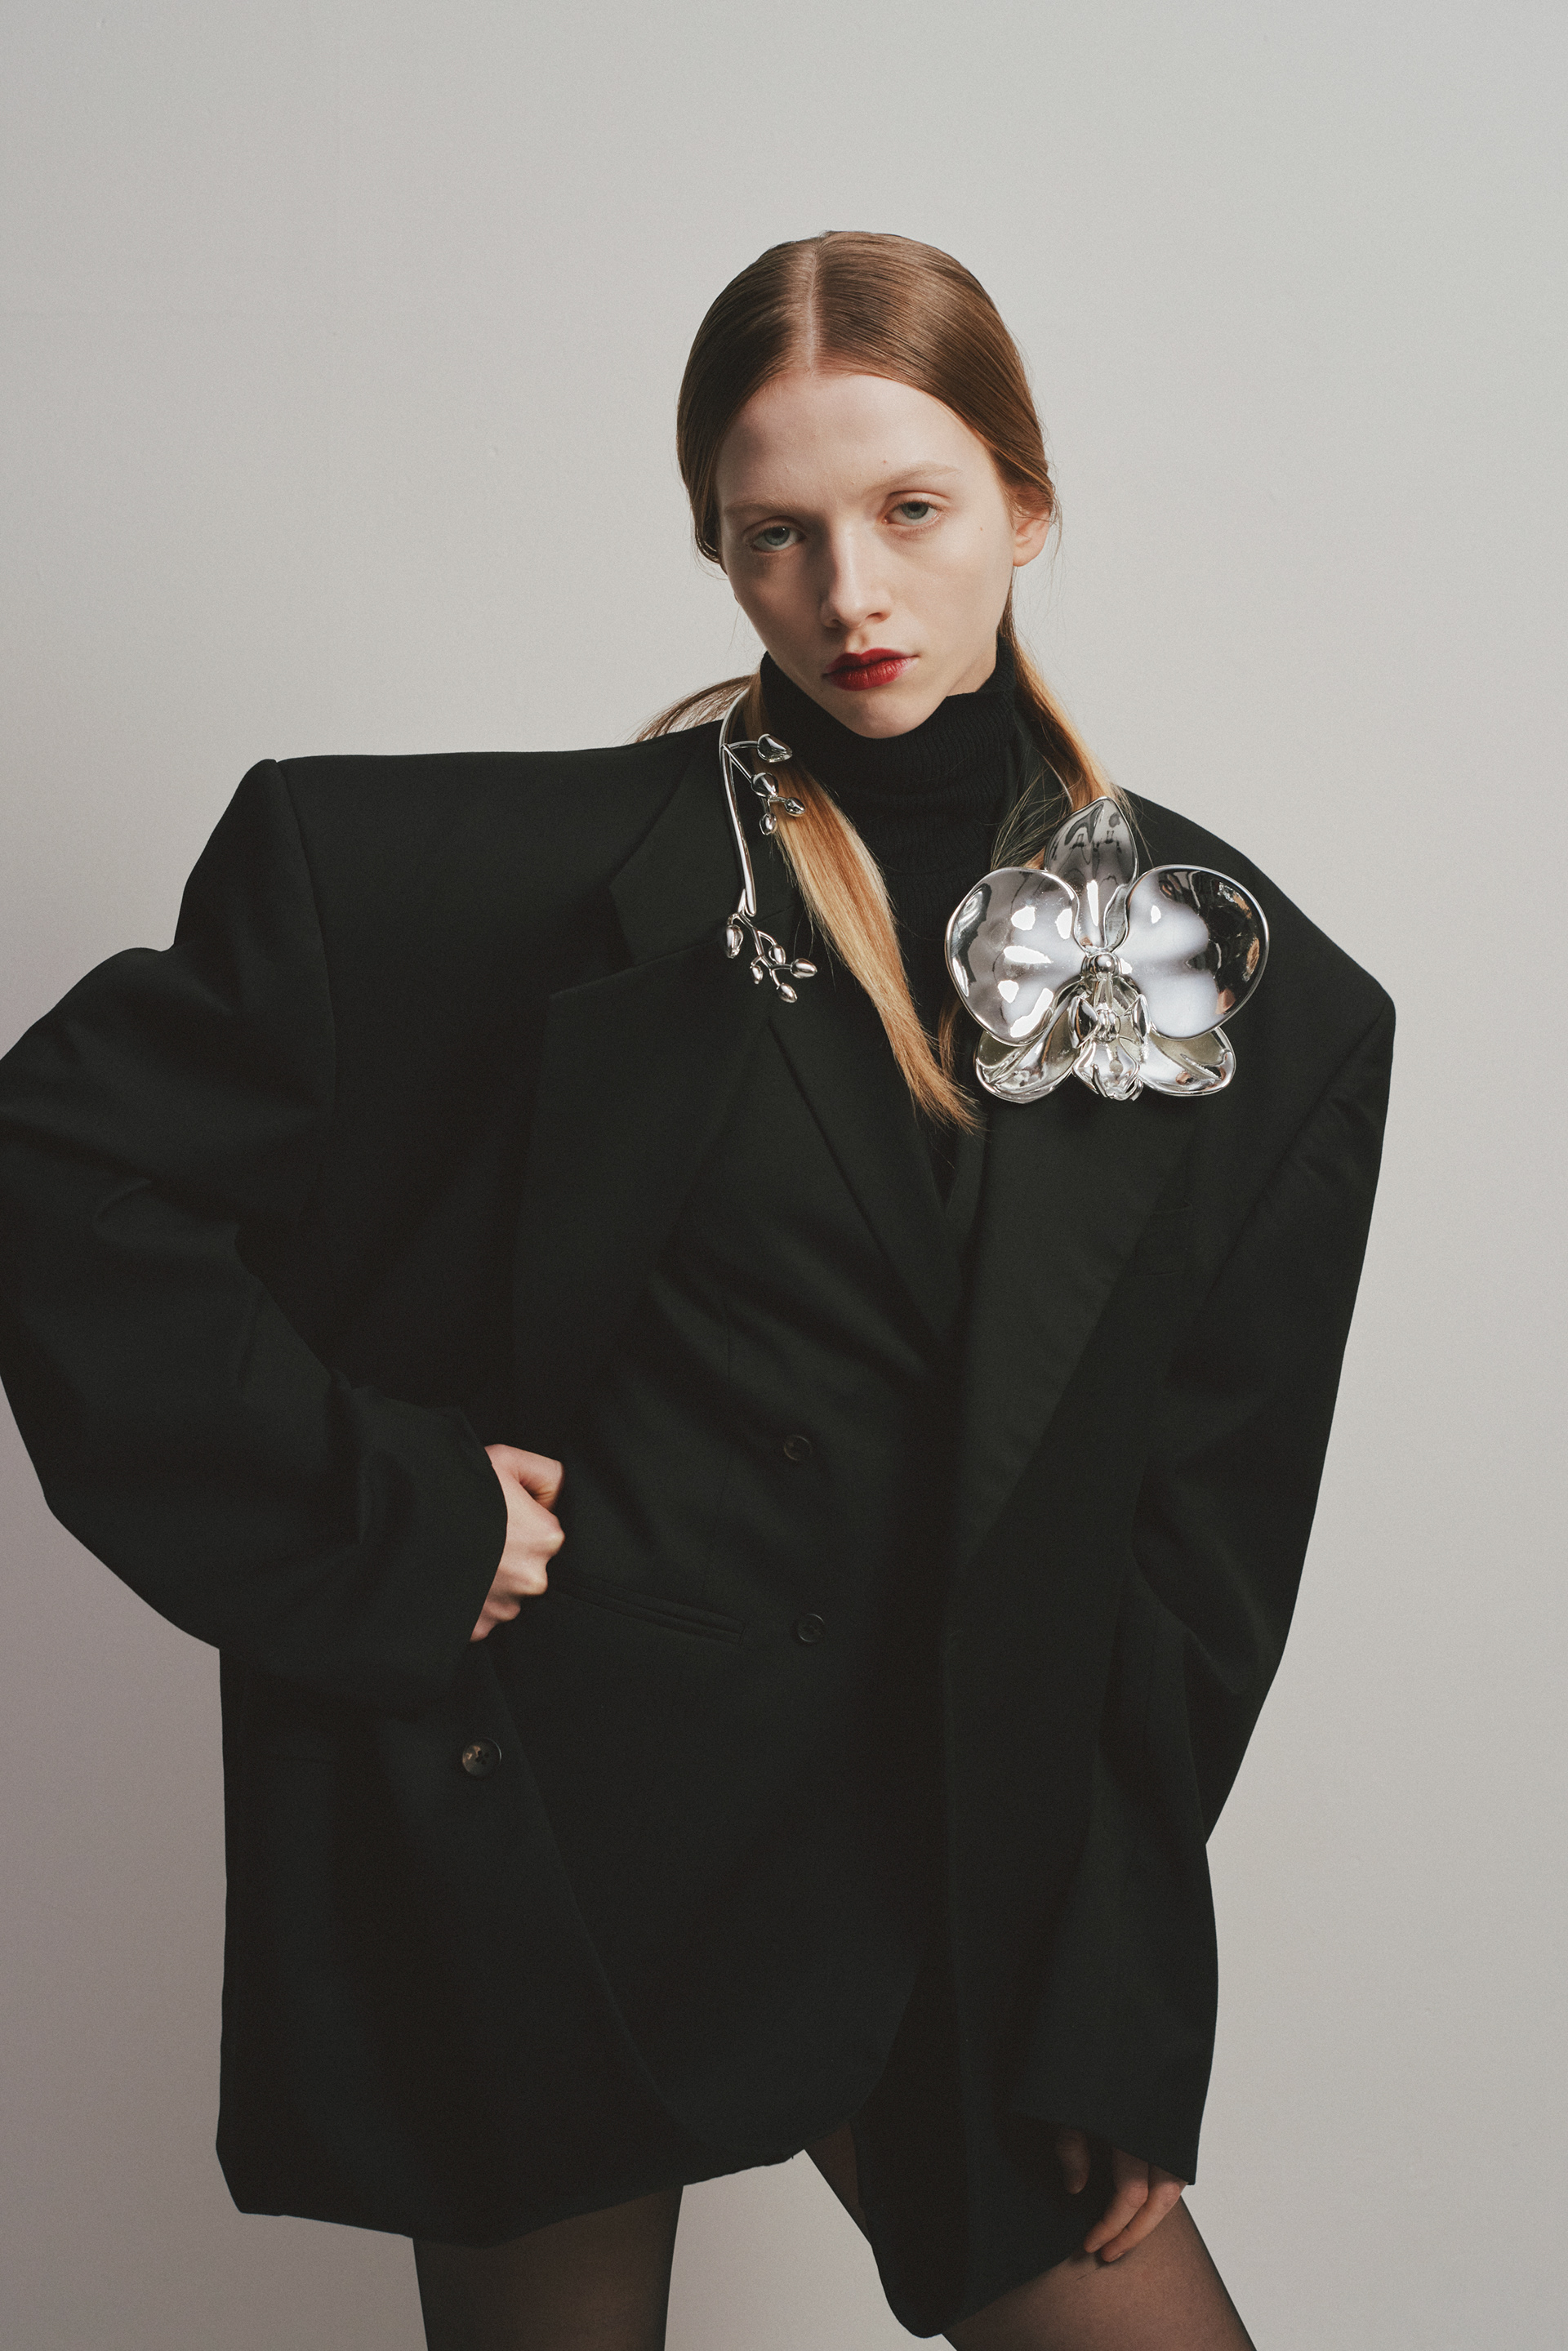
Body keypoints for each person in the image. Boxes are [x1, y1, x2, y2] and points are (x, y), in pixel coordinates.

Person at [0, 232, 1392, 2350]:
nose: (851, 593)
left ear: (1026, 505)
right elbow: (60, 1175)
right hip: (559, 1862)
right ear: (716, 550)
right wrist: (396, 1511)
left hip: (941, 1885)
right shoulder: (451, 890)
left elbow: (1195, 1570)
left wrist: (1117, 2006)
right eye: (776, 536)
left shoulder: (1262, 1010)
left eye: (912, 511)